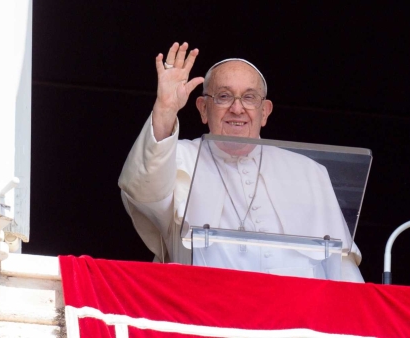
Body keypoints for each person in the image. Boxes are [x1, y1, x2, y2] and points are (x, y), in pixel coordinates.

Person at [119, 42, 364, 282]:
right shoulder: (179, 157)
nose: (237, 108)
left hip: (298, 318)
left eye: (249, 97)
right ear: (203, 109)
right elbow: (143, 190)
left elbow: (340, 264)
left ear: (265, 112)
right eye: (224, 96)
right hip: (210, 313)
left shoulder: (309, 172)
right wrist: (165, 110)